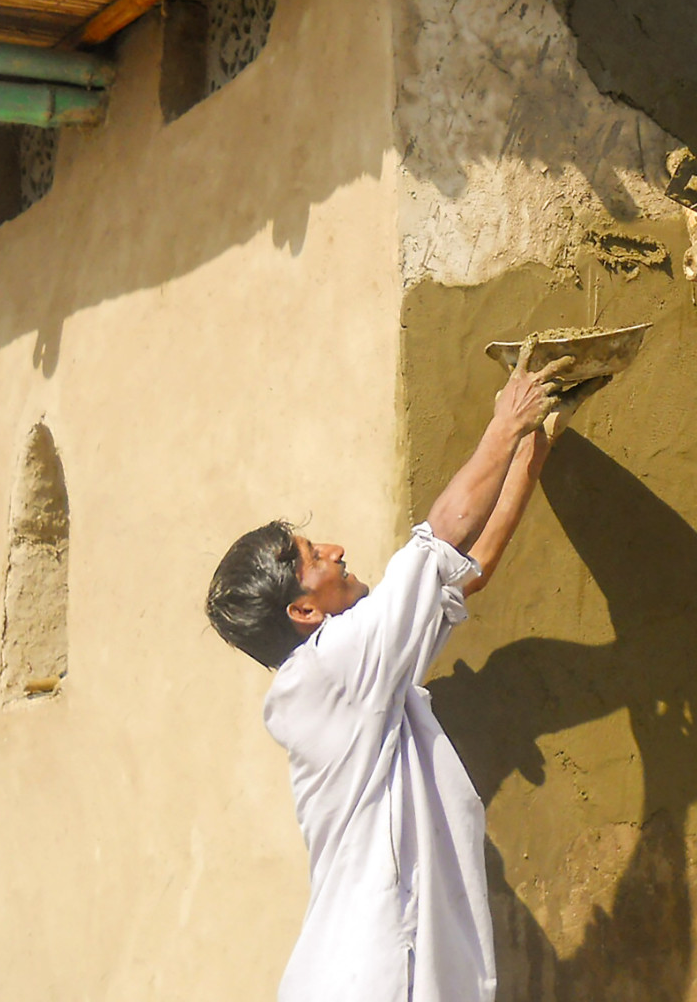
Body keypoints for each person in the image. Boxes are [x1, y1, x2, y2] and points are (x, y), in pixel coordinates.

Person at [205, 357, 571, 1002]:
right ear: (303, 610)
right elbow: (443, 537)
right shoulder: (333, 668)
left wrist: (530, 454)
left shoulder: (356, 674)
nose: (337, 549)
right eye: (315, 558)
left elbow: (467, 570)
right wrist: (505, 424)